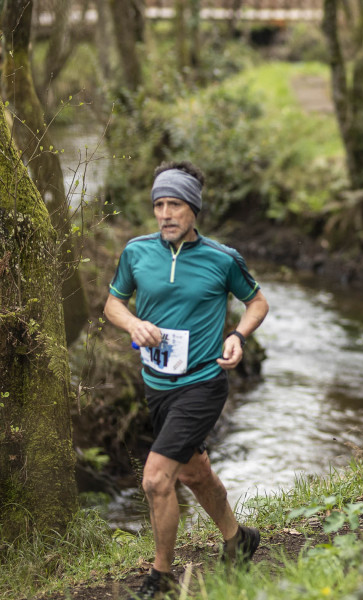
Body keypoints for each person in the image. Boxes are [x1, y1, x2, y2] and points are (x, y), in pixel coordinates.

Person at [104, 161, 270, 598]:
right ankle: (239, 539)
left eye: (174, 204)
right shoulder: (137, 252)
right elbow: (112, 304)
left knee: (157, 479)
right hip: (156, 386)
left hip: (202, 383)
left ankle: (161, 578)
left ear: (193, 209)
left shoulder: (222, 259)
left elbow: (257, 302)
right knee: (195, 473)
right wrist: (133, 323)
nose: (165, 214)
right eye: (159, 205)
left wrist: (238, 335)